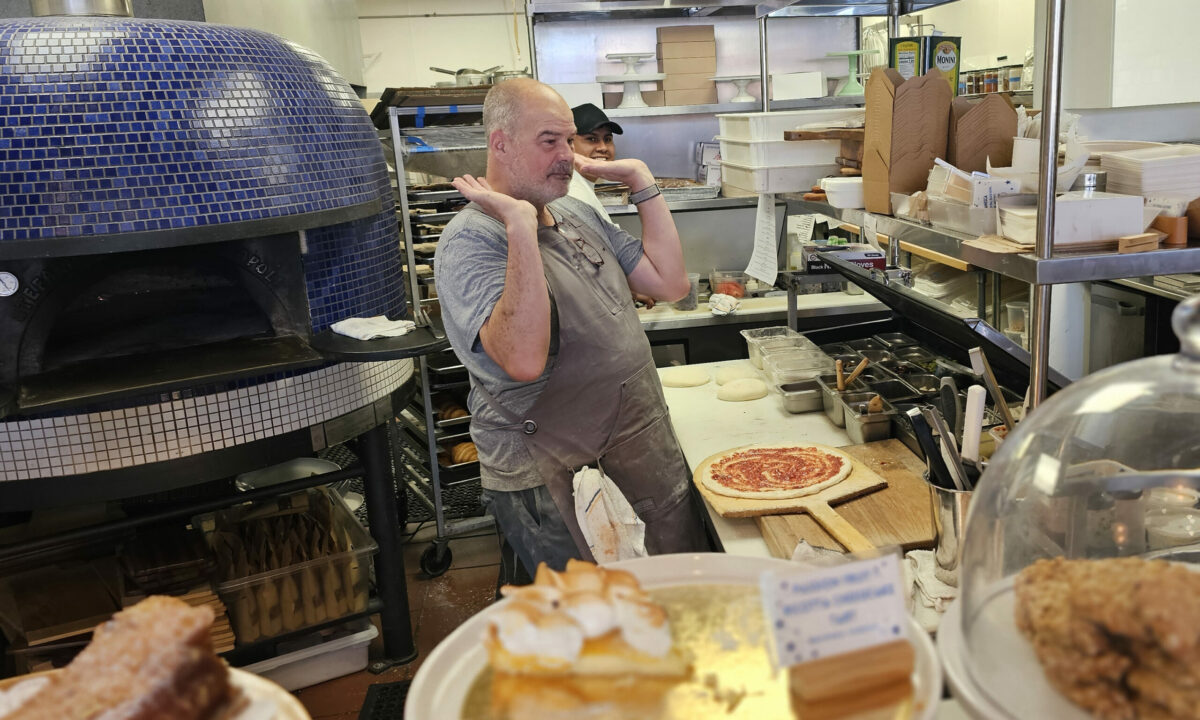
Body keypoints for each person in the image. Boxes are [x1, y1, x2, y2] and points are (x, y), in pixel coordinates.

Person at [434, 79, 710, 574]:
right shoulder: (470, 241)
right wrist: (520, 226)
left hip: (636, 447)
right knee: (593, 629)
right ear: (500, 143)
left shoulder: (575, 212)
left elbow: (669, 284)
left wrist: (642, 182)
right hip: (553, 476)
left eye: (567, 140)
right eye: (549, 141)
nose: (566, 155)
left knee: (664, 607)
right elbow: (520, 359)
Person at [566, 102, 657, 309]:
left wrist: (626, 287)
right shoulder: (573, 192)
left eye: (608, 139)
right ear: (569, 143)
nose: (603, 148)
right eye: (591, 139)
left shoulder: (583, 186)